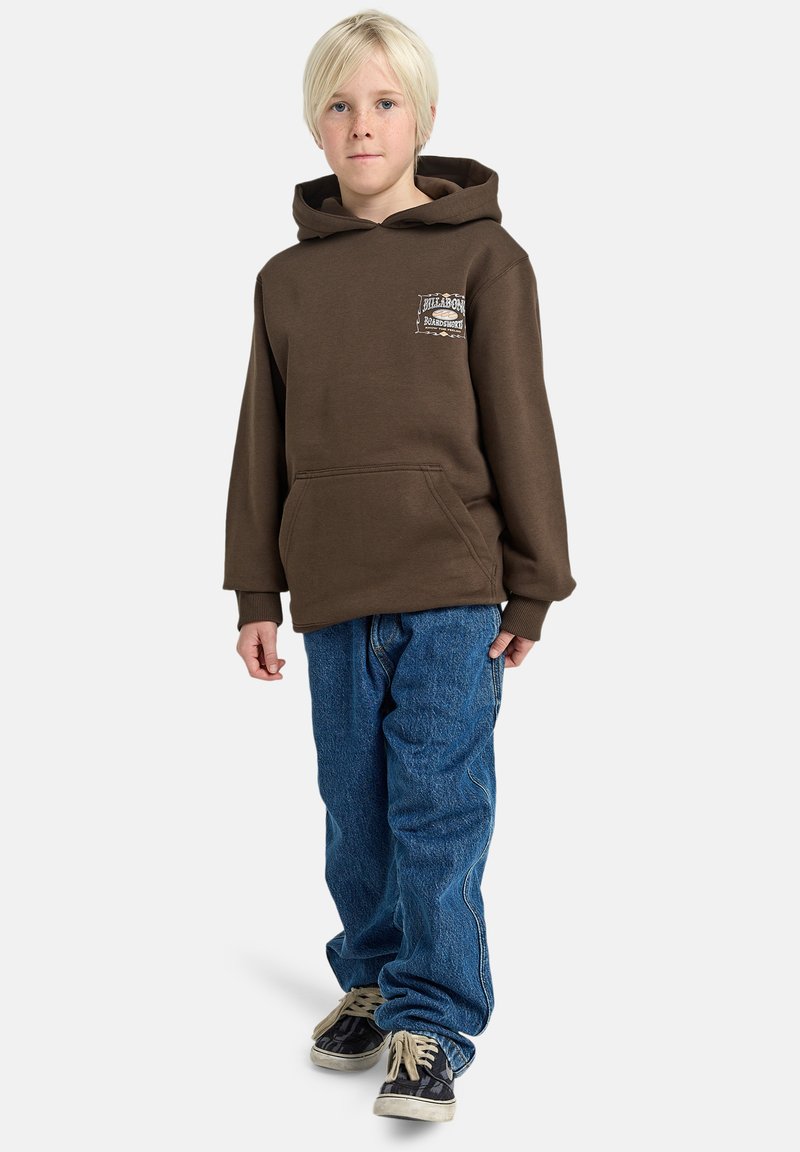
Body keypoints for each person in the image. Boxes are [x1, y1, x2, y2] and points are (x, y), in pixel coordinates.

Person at [223, 8, 576, 1123]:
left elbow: (521, 426)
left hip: (452, 594)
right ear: (314, 125)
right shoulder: (285, 280)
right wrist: (256, 591)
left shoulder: (484, 258)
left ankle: (435, 1020)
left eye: (383, 102)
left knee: (438, 807)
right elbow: (260, 442)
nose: (361, 124)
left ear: (422, 117)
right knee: (356, 809)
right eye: (339, 105)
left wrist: (535, 583)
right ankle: (374, 976)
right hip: (333, 594)